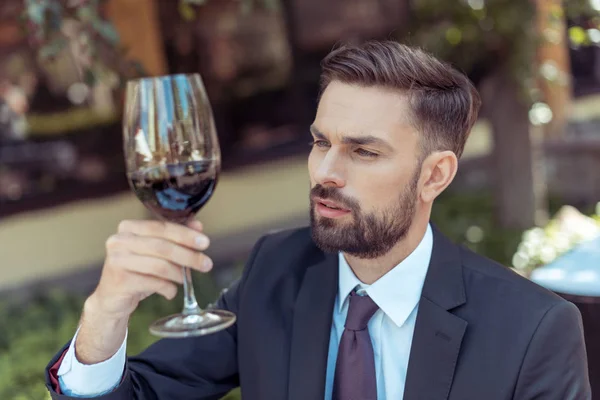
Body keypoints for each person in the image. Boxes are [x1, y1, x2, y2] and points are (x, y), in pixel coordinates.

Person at [45, 41, 591, 400]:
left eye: (364, 151)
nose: (325, 172)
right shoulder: (273, 274)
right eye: (320, 142)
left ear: (435, 176)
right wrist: (104, 315)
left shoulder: (532, 330)